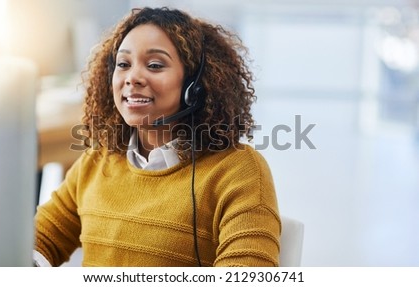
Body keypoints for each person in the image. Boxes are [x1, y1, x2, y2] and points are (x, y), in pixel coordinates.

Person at [34, 6, 281, 267]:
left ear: (194, 87)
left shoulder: (238, 171)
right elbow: (41, 240)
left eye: (154, 65)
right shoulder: (96, 160)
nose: (133, 78)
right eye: (123, 64)